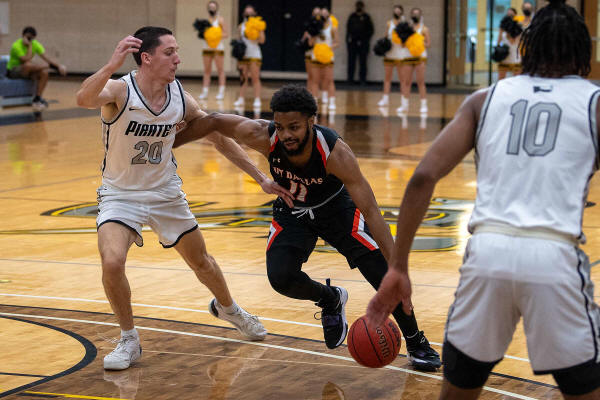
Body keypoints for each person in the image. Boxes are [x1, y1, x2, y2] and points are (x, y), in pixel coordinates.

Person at [367, 1, 600, 398]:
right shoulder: (594, 102)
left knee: (459, 391)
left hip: (487, 254)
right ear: (584, 52)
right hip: (555, 259)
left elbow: (422, 177)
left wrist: (398, 266)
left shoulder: (484, 99)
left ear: (527, 47)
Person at [173, 84, 442, 371]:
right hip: (292, 208)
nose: (286, 134)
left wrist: (397, 269)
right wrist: (168, 143)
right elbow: (213, 121)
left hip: (336, 208)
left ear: (311, 121)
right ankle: (330, 299)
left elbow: (372, 213)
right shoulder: (262, 135)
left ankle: (416, 341)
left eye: (294, 127)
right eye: (280, 127)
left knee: (379, 269)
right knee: (281, 278)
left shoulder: (335, 152)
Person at [75, 26, 295, 371]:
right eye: (169, 52)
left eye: (176, 51)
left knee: (202, 262)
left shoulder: (181, 98)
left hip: (165, 193)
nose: (178, 59)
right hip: (121, 194)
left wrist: (261, 178)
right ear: (146, 58)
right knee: (112, 262)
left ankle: (228, 309)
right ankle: (129, 339)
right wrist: (111, 64)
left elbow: (219, 137)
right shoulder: (120, 89)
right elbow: (84, 99)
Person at [6, 26, 67, 110]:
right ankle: (48, 66)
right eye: (28, 37)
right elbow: (26, 59)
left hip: (28, 71)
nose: (30, 40)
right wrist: (30, 46)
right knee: (28, 65)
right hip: (14, 71)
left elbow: (47, 58)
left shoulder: (35, 44)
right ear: (23, 36)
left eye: (31, 38)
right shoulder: (16, 45)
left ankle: (37, 98)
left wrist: (59, 66)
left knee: (44, 73)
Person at [398, 8, 430, 114]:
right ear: (410, 15)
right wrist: (406, 38)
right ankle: (404, 105)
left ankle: (424, 105)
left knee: (420, 81)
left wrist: (419, 42)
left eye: (417, 14)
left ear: (420, 16)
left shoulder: (424, 29)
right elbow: (402, 44)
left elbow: (428, 44)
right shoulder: (407, 28)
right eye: (413, 14)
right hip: (408, 56)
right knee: (406, 82)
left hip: (420, 57)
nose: (415, 15)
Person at [233, 5, 264, 109]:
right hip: (243, 55)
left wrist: (254, 34)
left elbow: (262, 40)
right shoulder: (241, 26)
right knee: (243, 78)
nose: (248, 15)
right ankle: (241, 98)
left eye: (251, 13)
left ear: (254, 14)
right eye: (246, 13)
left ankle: (257, 99)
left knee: (255, 78)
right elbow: (239, 41)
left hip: (254, 54)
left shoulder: (258, 24)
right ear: (243, 14)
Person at [308, 8, 339, 111]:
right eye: (322, 14)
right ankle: (314, 103)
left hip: (328, 56)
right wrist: (313, 34)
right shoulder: (315, 27)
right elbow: (310, 43)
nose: (324, 15)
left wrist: (328, 47)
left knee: (329, 80)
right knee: (315, 80)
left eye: (326, 13)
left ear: (329, 15)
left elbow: (337, 42)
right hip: (316, 56)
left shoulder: (333, 28)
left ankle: (332, 101)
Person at [198, 1, 228, 101]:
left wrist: (215, 35)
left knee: (220, 70)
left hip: (218, 48)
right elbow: (202, 34)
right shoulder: (206, 21)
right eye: (210, 7)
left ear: (216, 8)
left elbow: (226, 34)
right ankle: (205, 91)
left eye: (213, 7)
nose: (212, 9)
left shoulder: (220, 20)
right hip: (207, 47)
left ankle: (221, 92)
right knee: (207, 70)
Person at [377, 5, 405, 107]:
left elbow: (407, 41)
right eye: (395, 11)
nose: (396, 12)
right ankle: (385, 99)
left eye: (398, 11)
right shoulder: (389, 23)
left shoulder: (404, 24)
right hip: (389, 53)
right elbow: (385, 37)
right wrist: (382, 45)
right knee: (387, 78)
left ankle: (404, 101)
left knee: (402, 79)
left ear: (401, 12)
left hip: (400, 54)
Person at [346, 1, 374, 85]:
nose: (359, 7)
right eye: (358, 6)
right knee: (351, 61)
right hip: (353, 43)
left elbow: (371, 30)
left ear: (363, 7)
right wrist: (348, 40)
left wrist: (365, 39)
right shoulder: (352, 16)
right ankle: (350, 79)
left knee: (363, 62)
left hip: (363, 43)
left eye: (360, 6)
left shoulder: (366, 17)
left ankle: (362, 79)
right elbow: (348, 29)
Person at [302, 7, 322, 97]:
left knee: (319, 77)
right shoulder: (309, 26)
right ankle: (309, 95)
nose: (316, 16)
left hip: (321, 53)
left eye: (318, 14)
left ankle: (318, 95)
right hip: (310, 52)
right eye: (314, 14)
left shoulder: (324, 26)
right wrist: (307, 37)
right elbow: (306, 42)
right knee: (311, 76)